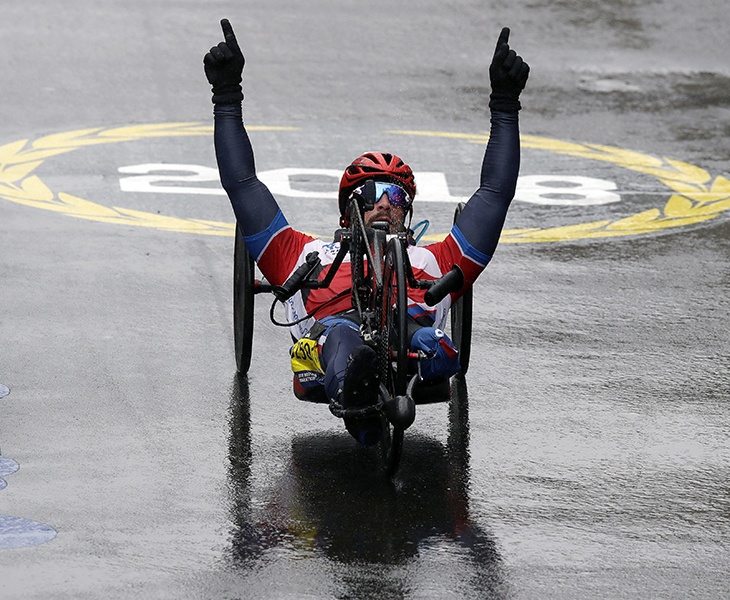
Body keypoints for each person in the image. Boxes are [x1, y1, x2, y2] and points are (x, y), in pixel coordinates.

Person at [205, 19, 529, 446]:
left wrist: (505, 105)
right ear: (348, 212)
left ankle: (428, 359)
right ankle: (361, 408)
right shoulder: (304, 254)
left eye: (395, 197)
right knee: (343, 337)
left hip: (409, 333)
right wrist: (227, 96)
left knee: (429, 338)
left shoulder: (434, 261)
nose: (382, 203)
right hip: (334, 338)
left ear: (406, 213)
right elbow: (243, 184)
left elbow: (495, 194)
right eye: (370, 193)